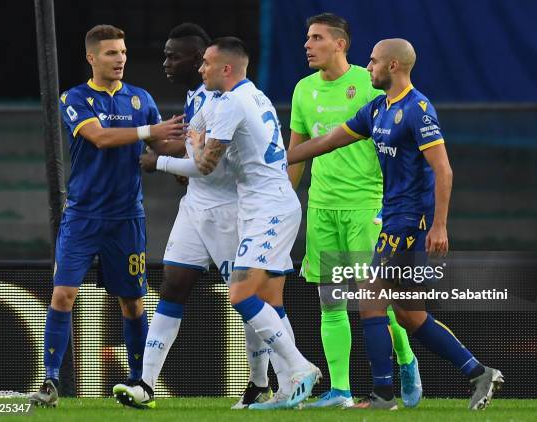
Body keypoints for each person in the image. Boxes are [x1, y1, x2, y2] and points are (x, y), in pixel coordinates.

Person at [286, 38, 504, 410]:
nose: (367, 67)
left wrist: (439, 226)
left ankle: (383, 395)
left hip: (410, 222)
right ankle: (479, 372)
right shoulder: (377, 109)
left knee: (370, 299)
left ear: (393, 67)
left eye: (373, 63)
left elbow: (443, 169)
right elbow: (329, 141)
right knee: (408, 313)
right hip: (394, 220)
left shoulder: (418, 110)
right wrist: (280, 159)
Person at [111, 23, 273, 410]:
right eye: (166, 54)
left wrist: (159, 161)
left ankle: (262, 382)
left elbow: (208, 165)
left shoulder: (219, 99)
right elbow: (193, 149)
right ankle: (145, 384)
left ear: (202, 59)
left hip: (228, 211)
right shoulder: (195, 97)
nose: (166, 62)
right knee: (173, 286)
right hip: (195, 208)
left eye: (175, 56)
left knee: (246, 298)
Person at [29, 24, 185, 407]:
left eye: (123, 52)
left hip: (126, 219)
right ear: (91, 57)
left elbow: (161, 141)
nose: (120, 60)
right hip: (82, 217)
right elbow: (98, 137)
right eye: (112, 53)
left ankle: (137, 383)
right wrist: (151, 129)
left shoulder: (139, 98)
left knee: (132, 303)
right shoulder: (75, 98)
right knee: (63, 294)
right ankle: (50, 382)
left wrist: (197, 141)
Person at [287, 13, 421, 408]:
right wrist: (285, 199)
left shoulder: (368, 83)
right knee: (330, 300)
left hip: (366, 206)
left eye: (316, 38)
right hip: (322, 206)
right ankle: (341, 390)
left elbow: (399, 136)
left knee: (375, 300)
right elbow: (297, 153)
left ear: (340, 44)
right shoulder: (303, 90)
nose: (308, 45)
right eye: (307, 38)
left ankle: (406, 361)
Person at [189, 36, 321, 410]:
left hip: (269, 209)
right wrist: (192, 138)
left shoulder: (232, 103)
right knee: (269, 299)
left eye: (207, 64)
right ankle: (287, 389)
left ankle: (299, 367)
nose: (201, 70)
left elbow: (205, 162)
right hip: (262, 205)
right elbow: (193, 128)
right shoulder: (246, 95)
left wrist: (169, 159)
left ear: (226, 69)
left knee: (240, 293)